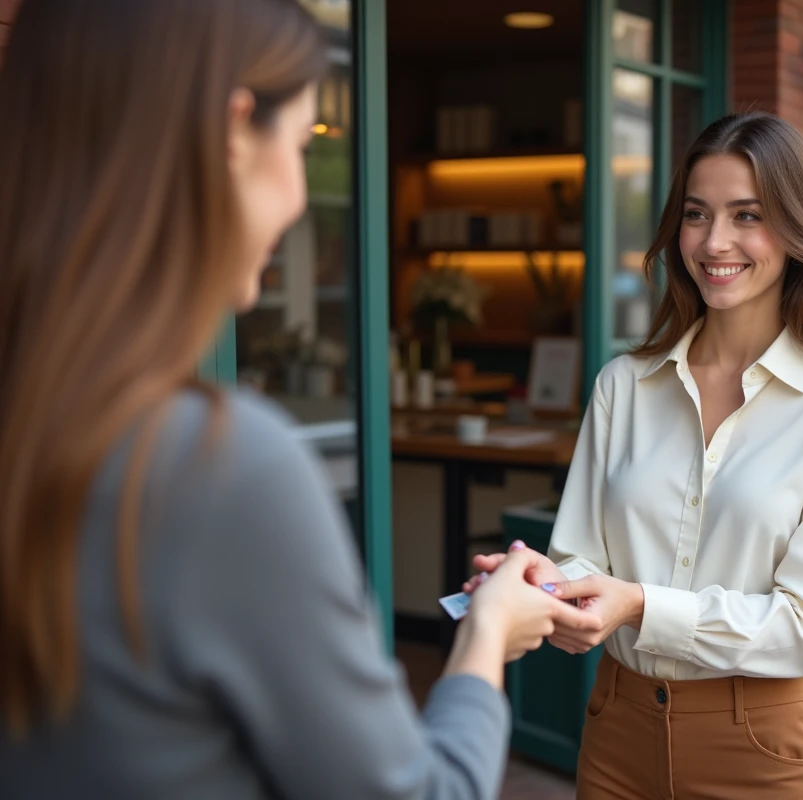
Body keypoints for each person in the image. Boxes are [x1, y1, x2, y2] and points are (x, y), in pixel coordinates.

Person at [0, 1, 598, 798]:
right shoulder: (219, 466)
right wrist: (484, 639)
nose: (295, 201)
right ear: (231, 134)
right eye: (299, 142)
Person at [469, 111, 803, 798]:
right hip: (618, 733)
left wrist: (639, 605)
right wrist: (546, 590)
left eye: (747, 214)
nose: (715, 241)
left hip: (761, 747)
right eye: (697, 214)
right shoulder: (624, 385)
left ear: (797, 230)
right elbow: (586, 560)